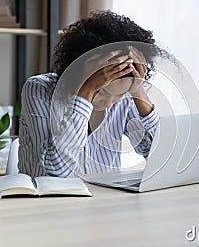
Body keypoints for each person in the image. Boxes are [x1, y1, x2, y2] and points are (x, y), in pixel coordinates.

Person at [18, 11, 165, 178]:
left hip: (103, 201)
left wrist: (138, 91)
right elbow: (57, 173)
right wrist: (86, 90)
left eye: (119, 95)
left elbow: (160, 157)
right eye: (101, 92)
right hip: (47, 201)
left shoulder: (125, 97)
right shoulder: (39, 90)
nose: (110, 103)